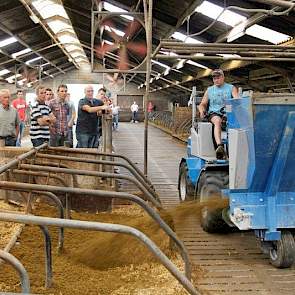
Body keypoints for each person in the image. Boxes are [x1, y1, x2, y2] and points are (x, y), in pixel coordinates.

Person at [198, 69, 238, 159]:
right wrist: (201, 110)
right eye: (214, 78)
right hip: (214, 113)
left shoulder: (231, 88)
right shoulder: (209, 90)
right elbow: (202, 104)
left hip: (228, 113)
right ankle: (219, 146)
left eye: (218, 77)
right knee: (217, 121)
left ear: (223, 77)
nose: (216, 80)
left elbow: (237, 101)